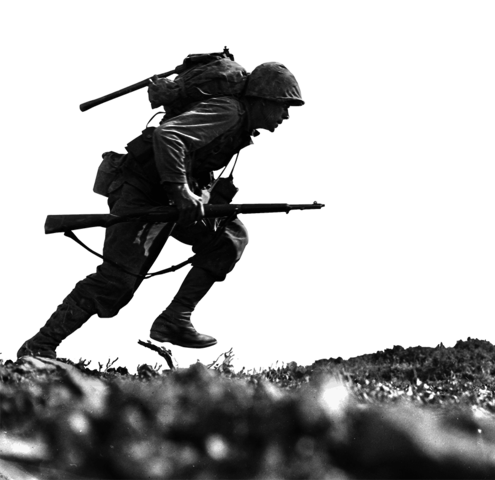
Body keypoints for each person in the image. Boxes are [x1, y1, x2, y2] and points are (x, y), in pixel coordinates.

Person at [17, 60, 305, 359]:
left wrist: (200, 195)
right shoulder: (228, 112)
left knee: (229, 236)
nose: (286, 116)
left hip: (167, 194)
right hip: (141, 189)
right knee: (116, 281)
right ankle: (39, 347)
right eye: (284, 106)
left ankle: (175, 318)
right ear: (263, 99)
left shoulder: (243, 128)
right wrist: (182, 192)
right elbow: (169, 136)